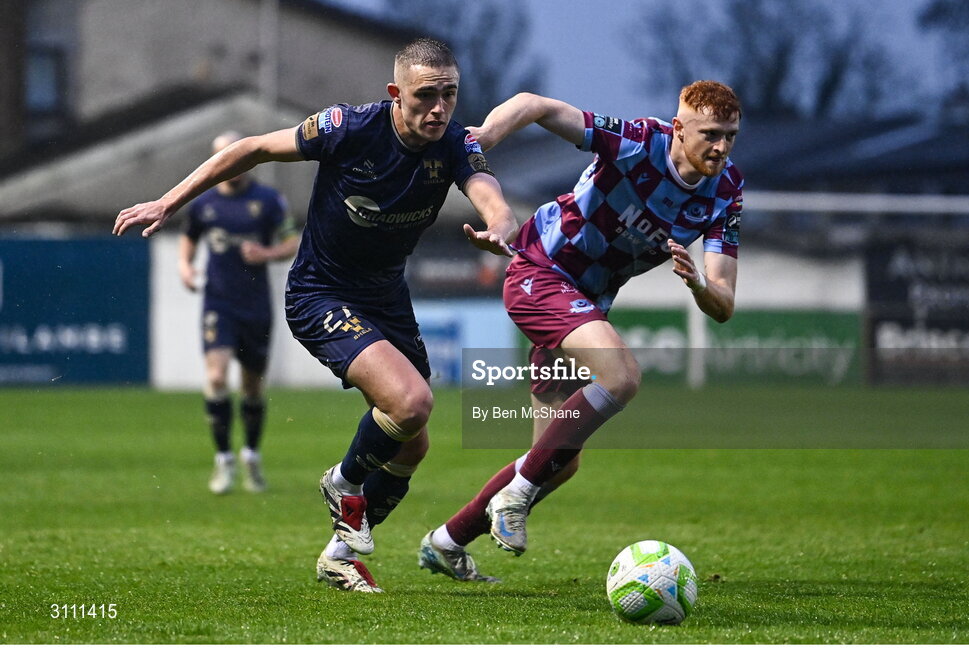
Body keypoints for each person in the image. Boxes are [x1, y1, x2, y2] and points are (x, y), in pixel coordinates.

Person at [114, 38, 518, 593]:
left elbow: (488, 192)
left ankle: (338, 556)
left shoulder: (452, 142)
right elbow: (252, 147)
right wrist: (168, 201)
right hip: (320, 293)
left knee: (414, 440)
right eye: (426, 96)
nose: (439, 109)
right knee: (413, 402)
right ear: (395, 94)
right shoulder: (347, 128)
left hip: (386, 297)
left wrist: (501, 225)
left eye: (449, 95)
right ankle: (343, 481)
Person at [417, 81, 743, 582]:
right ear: (678, 129)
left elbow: (722, 303)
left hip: (586, 304)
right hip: (541, 271)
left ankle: (446, 540)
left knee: (557, 460)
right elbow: (536, 105)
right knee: (622, 377)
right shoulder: (635, 141)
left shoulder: (725, 191)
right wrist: (483, 136)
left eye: (730, 136)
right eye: (710, 134)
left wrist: (700, 283)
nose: (720, 147)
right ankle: (516, 496)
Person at [179, 131, 300, 495]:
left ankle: (250, 454)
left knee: (251, 386)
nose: (230, 166)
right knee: (216, 378)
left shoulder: (268, 201)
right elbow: (189, 238)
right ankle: (223, 461)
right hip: (218, 301)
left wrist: (266, 254)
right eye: (222, 159)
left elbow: (291, 242)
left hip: (255, 303)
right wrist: (185, 267)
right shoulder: (204, 203)